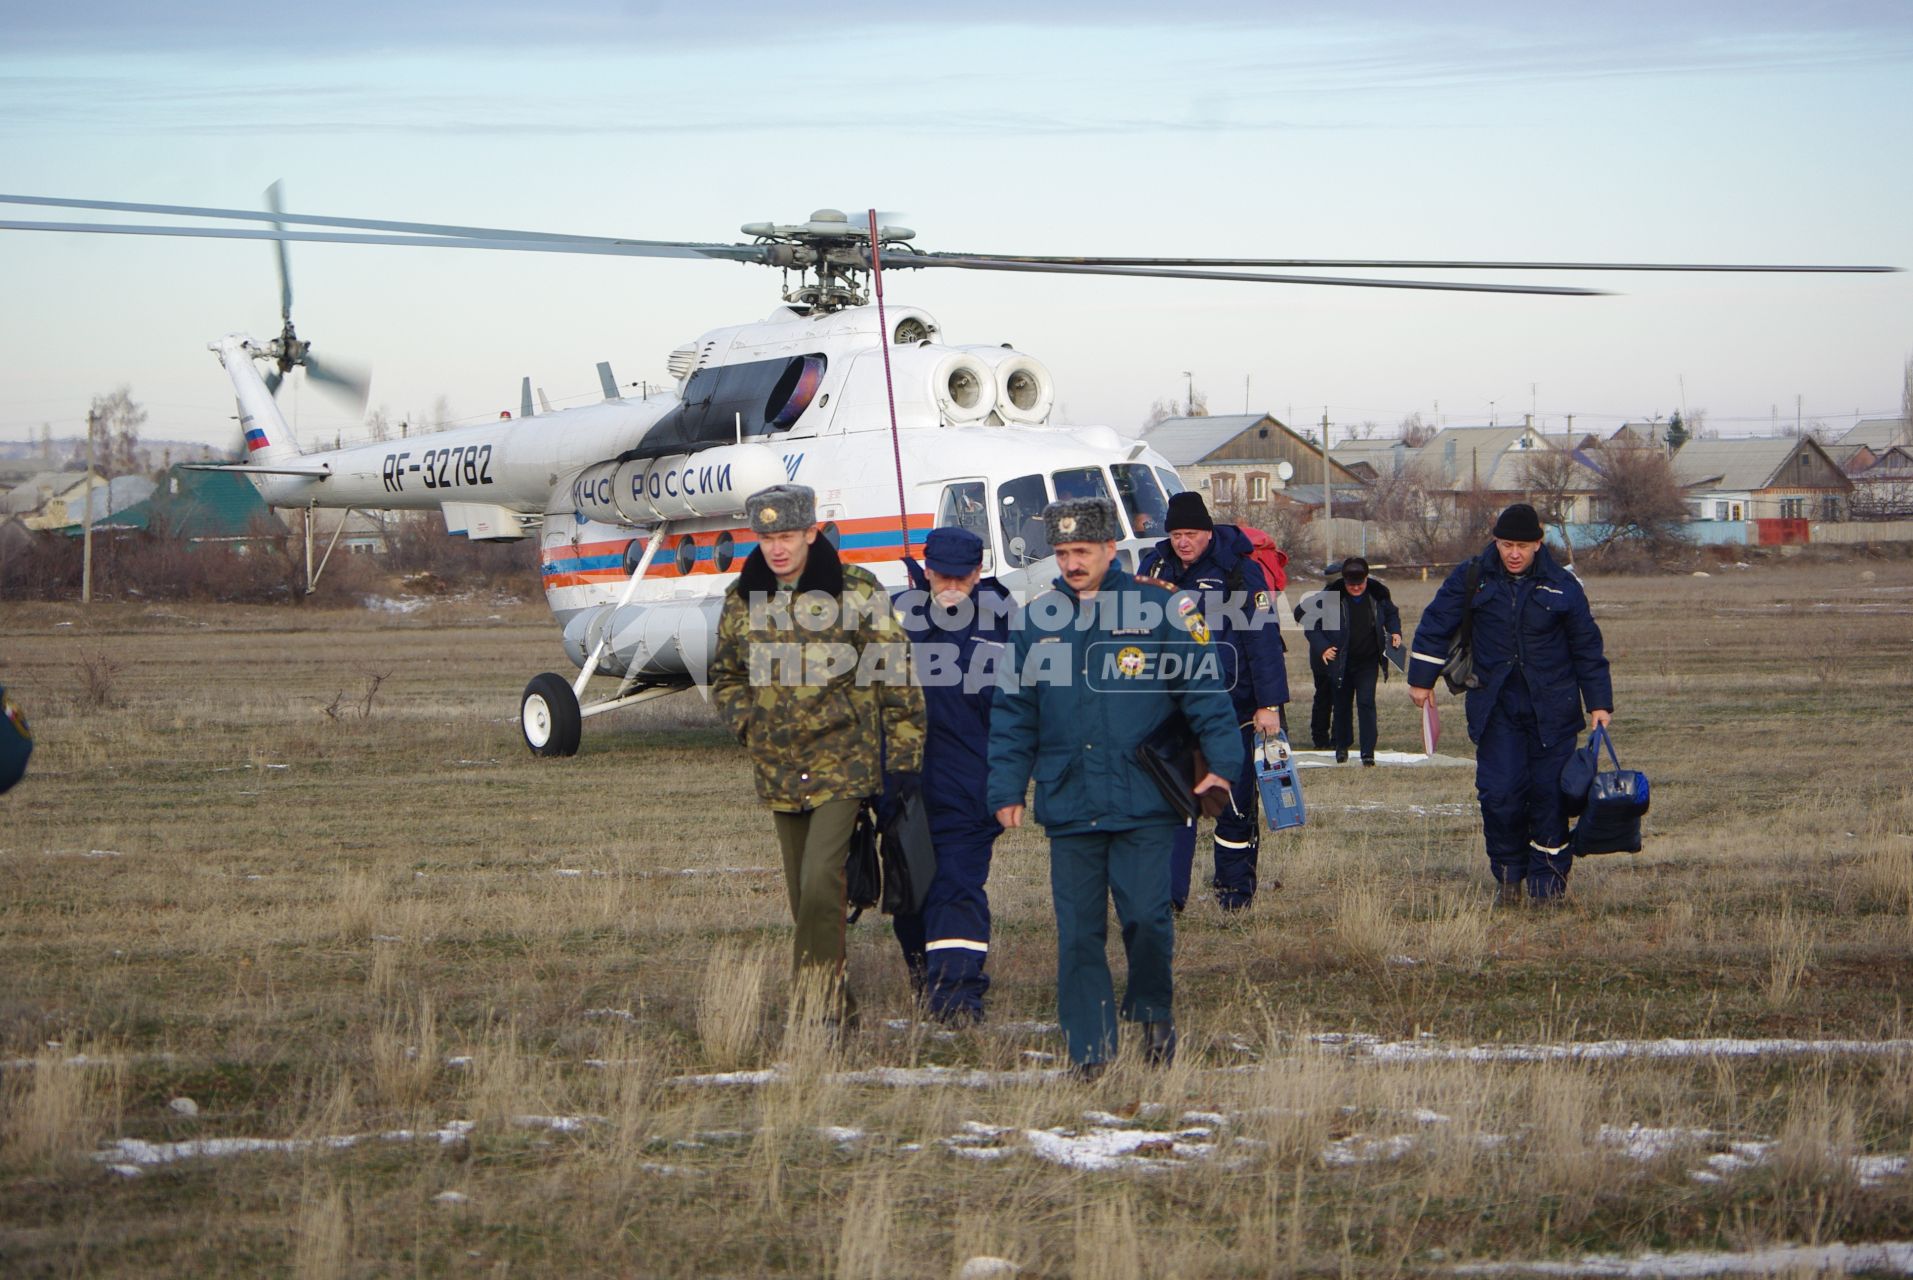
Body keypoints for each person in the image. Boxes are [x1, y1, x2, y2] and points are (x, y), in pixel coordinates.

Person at [987, 498, 1243, 1077]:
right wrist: (1006, 788)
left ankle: (1153, 1012)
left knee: (1147, 919)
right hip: (1070, 797)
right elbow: (1013, 712)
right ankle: (1090, 1051)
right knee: (1078, 934)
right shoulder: (1036, 621)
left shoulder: (1161, 608)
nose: (1072, 563)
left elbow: (1205, 692)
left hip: (1145, 797)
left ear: (1110, 550)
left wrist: (1222, 764)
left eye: (1082, 551)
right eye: (1061, 552)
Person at [708, 483, 925, 1016]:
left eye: (786, 536)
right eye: (765, 537)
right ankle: (838, 1001)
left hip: (843, 765)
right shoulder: (743, 599)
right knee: (802, 896)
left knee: (823, 881)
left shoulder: (854, 589)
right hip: (779, 768)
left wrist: (903, 758)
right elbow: (726, 675)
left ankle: (817, 1009)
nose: (776, 548)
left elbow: (895, 671)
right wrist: (750, 727)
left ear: (811, 532)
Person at [1405, 504, 1612, 905]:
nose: (1513, 553)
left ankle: (1547, 887)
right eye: (1505, 544)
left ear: (1538, 543)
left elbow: (1587, 647)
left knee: (1550, 797)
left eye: (1521, 545)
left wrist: (1599, 703)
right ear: (1495, 541)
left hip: (1553, 710)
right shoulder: (1472, 576)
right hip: (1495, 708)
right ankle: (1508, 879)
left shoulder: (1564, 586)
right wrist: (1420, 680)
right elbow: (1435, 624)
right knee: (1500, 795)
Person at [1136, 491, 1290, 912]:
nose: (1183, 541)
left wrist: (1269, 704)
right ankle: (1167, 898)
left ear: (1207, 533)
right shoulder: (1154, 567)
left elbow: (1263, 640)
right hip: (1170, 707)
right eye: (1176, 534)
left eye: (1191, 533)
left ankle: (1234, 894)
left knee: (1231, 803)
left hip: (1231, 706)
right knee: (1170, 801)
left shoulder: (1238, 570)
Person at [888, 526, 1013, 1023]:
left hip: (972, 786)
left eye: (963, 578)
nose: (952, 587)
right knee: (912, 896)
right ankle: (927, 979)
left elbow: (1025, 708)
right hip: (903, 788)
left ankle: (958, 998)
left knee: (956, 888)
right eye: (942, 577)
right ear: (927, 570)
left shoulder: (1006, 623)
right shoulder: (895, 618)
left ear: (979, 573)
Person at [1309, 556, 1402, 766]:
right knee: (1341, 705)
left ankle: (1367, 752)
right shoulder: (1331, 596)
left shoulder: (1378, 594)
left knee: (1366, 703)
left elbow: (1392, 614)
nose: (1357, 588)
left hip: (1368, 661)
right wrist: (1323, 647)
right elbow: (1311, 626)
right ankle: (1342, 747)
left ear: (1367, 579)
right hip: (1341, 661)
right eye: (1352, 585)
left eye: (1360, 584)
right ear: (1344, 581)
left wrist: (1395, 631)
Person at [1292, 565, 1343, 749]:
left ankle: (1320, 739)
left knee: (1322, 698)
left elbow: (1297, 613)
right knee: (1339, 699)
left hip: (1319, 659)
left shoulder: (1318, 597)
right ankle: (1337, 739)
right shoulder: (1333, 599)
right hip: (1334, 657)